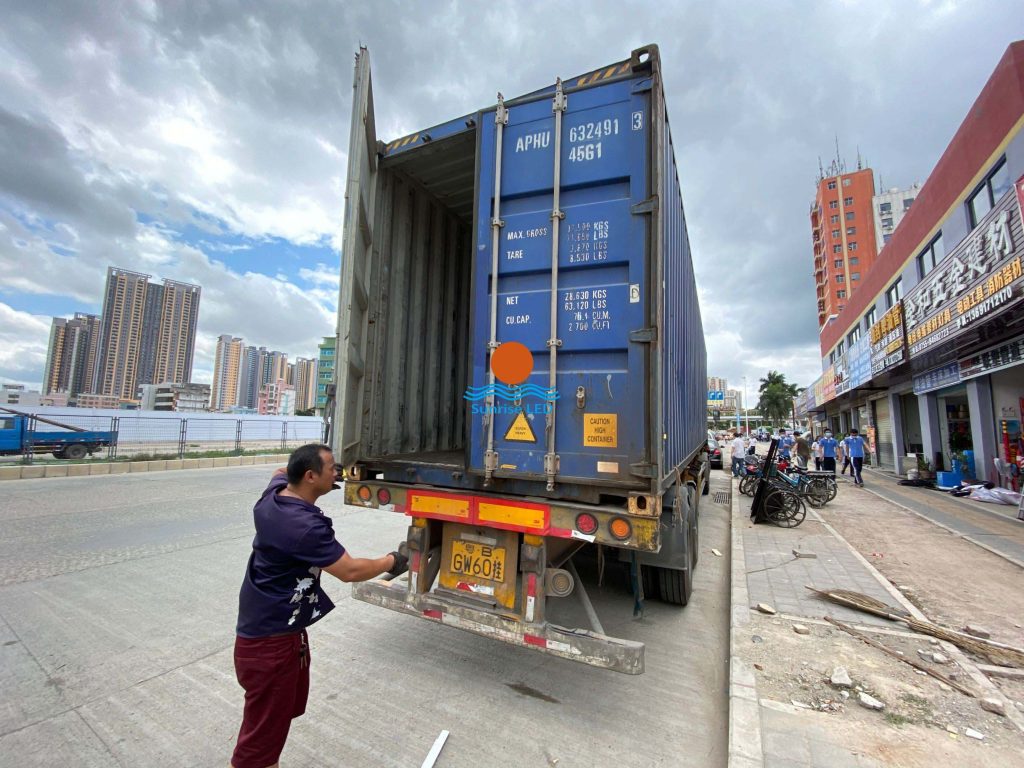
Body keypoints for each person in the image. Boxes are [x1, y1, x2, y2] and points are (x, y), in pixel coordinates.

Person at [231, 443, 408, 768]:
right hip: (271, 645)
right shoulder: (304, 528)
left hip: (266, 634)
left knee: (270, 731)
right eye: (331, 468)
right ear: (310, 476)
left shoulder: (273, 498)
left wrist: (309, 463)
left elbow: (280, 471)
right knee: (258, 744)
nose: (337, 472)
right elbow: (349, 571)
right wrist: (391, 560)